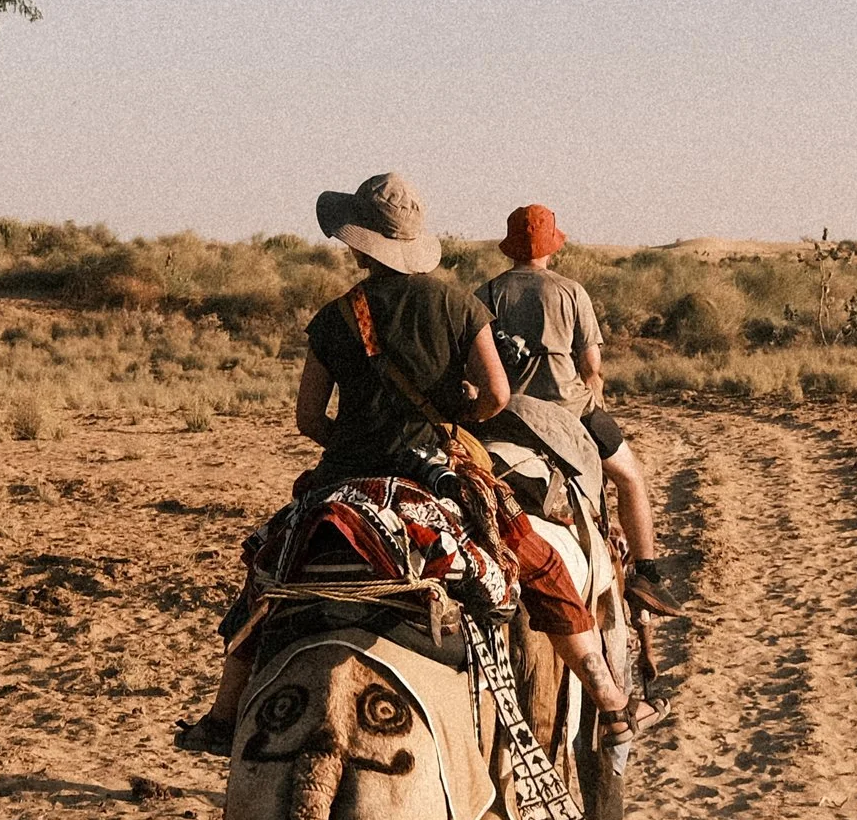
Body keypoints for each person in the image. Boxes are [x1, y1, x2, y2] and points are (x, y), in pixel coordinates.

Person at [185, 173, 630, 753]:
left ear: (358, 243)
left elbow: (308, 418)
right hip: (435, 467)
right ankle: (610, 699)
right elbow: (496, 394)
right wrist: (458, 412)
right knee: (541, 565)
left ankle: (221, 716)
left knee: (267, 574)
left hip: (345, 474)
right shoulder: (455, 303)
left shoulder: (335, 316)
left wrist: (351, 439)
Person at [478, 204, 681, 621]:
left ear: (511, 247)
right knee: (630, 477)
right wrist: (597, 405)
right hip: (567, 409)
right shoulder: (571, 291)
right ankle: (647, 574)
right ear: (551, 245)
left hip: (507, 413)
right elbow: (591, 368)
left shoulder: (486, 294)